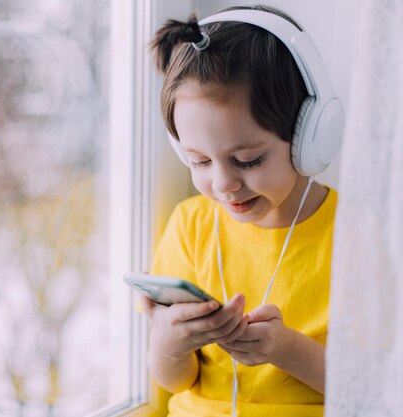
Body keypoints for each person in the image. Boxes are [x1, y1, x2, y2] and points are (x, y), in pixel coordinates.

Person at [139, 4, 341, 416]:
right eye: (199, 161)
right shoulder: (191, 226)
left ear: (310, 137)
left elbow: (380, 384)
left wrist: (285, 350)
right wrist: (169, 342)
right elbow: (176, 381)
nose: (223, 184)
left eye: (248, 159)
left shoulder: (355, 235)